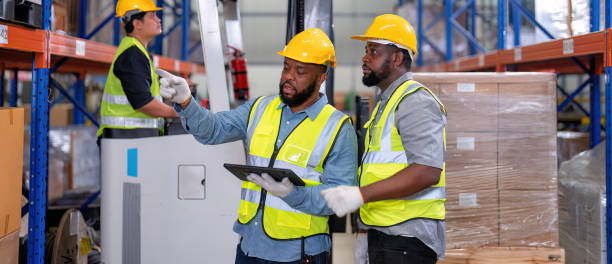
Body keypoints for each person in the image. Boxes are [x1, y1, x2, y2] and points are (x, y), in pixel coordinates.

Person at [158, 28, 358, 264]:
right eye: (286, 67)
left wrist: (295, 194)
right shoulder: (260, 108)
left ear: (322, 77)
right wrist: (185, 102)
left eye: (300, 71)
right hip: (249, 247)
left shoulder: (337, 128)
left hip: (299, 255)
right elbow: (212, 130)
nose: (289, 76)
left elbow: (341, 198)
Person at [321, 14, 447, 264]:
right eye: (366, 50)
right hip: (385, 234)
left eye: (374, 51)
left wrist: (361, 195)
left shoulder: (414, 102)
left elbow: (427, 171)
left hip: (407, 239)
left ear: (398, 57)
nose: (364, 58)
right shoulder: (386, 102)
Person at [98, 0, 178, 139]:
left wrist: (167, 85)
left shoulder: (137, 51)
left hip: (132, 137)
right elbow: (144, 104)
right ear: (137, 23)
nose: (158, 19)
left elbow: (141, 87)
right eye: (152, 16)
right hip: (127, 140)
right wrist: (178, 113)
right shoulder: (132, 55)